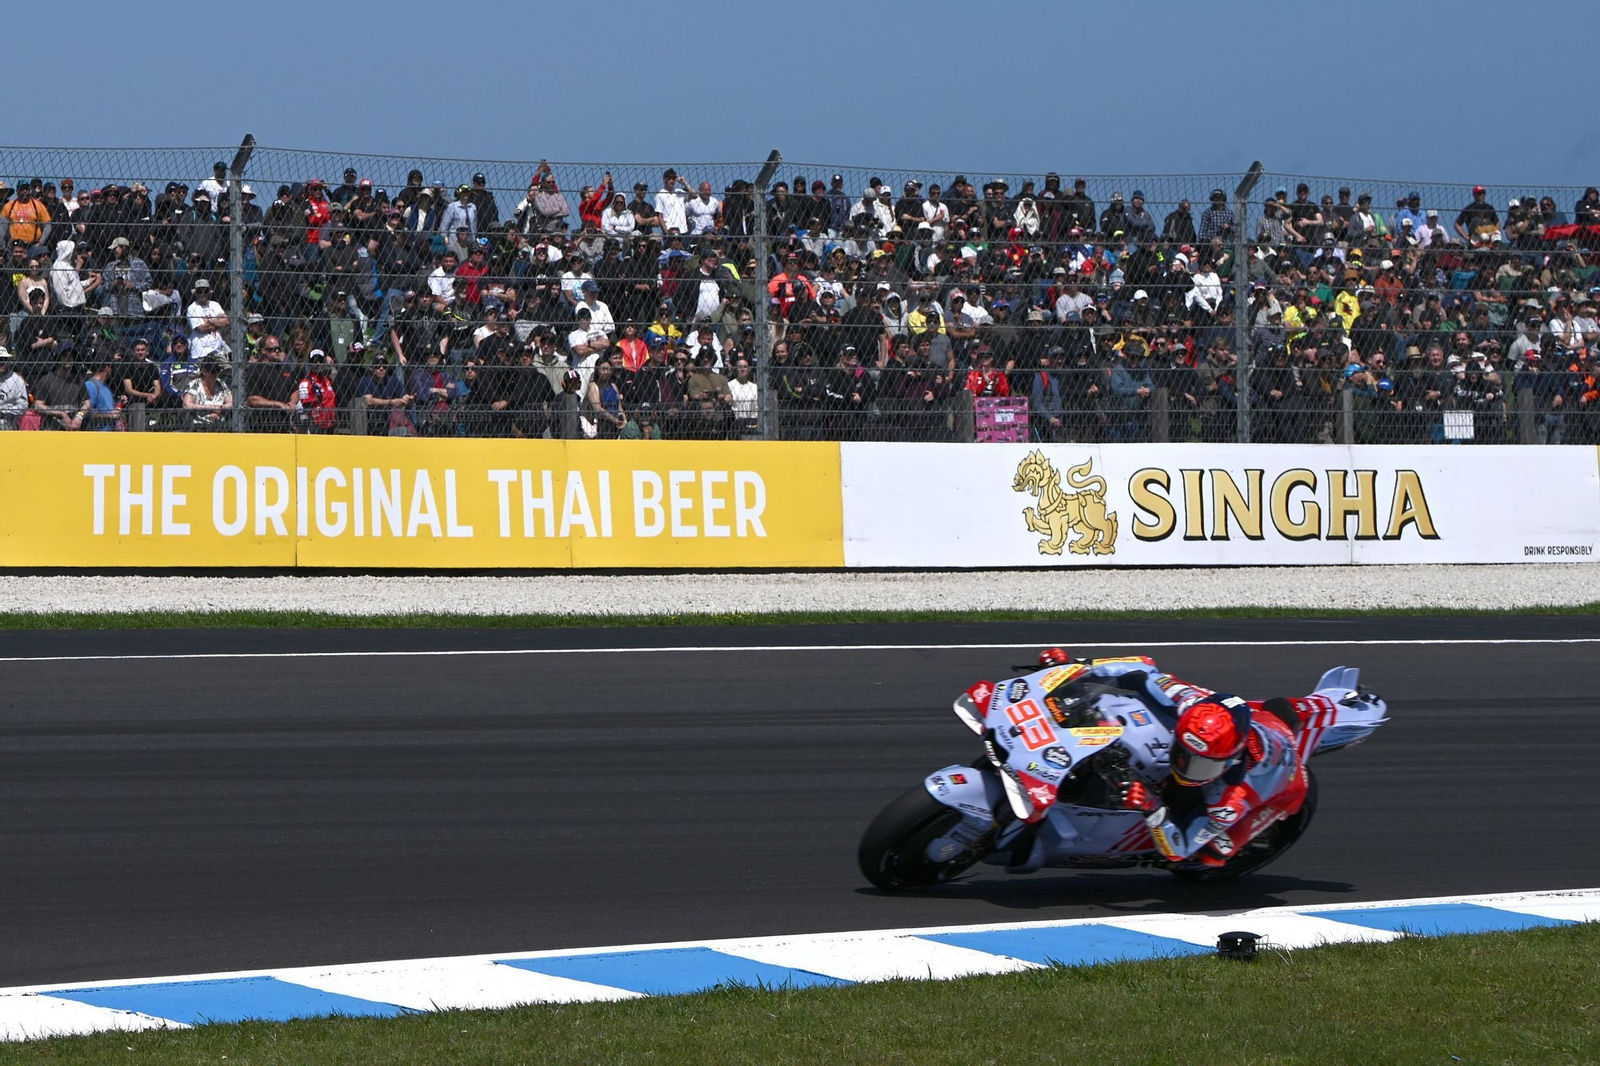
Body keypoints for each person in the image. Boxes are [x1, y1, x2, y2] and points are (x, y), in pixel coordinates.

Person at [1040, 649, 1311, 870]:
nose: (1185, 768)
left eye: (1201, 765)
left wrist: (1153, 807)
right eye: (1182, 754)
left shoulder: (1232, 798)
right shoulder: (1191, 703)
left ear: (1229, 761)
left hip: (1287, 785)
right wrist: (1079, 668)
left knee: (1216, 853)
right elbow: (1142, 667)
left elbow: (1180, 849)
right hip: (1255, 723)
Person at [183, 355, 233, 430]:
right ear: (204, 371)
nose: (216, 373)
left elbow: (231, 403)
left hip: (219, 425)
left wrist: (219, 409)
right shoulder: (195, 385)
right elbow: (187, 404)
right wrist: (210, 408)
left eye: (218, 370)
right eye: (212, 371)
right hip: (198, 426)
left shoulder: (221, 384)